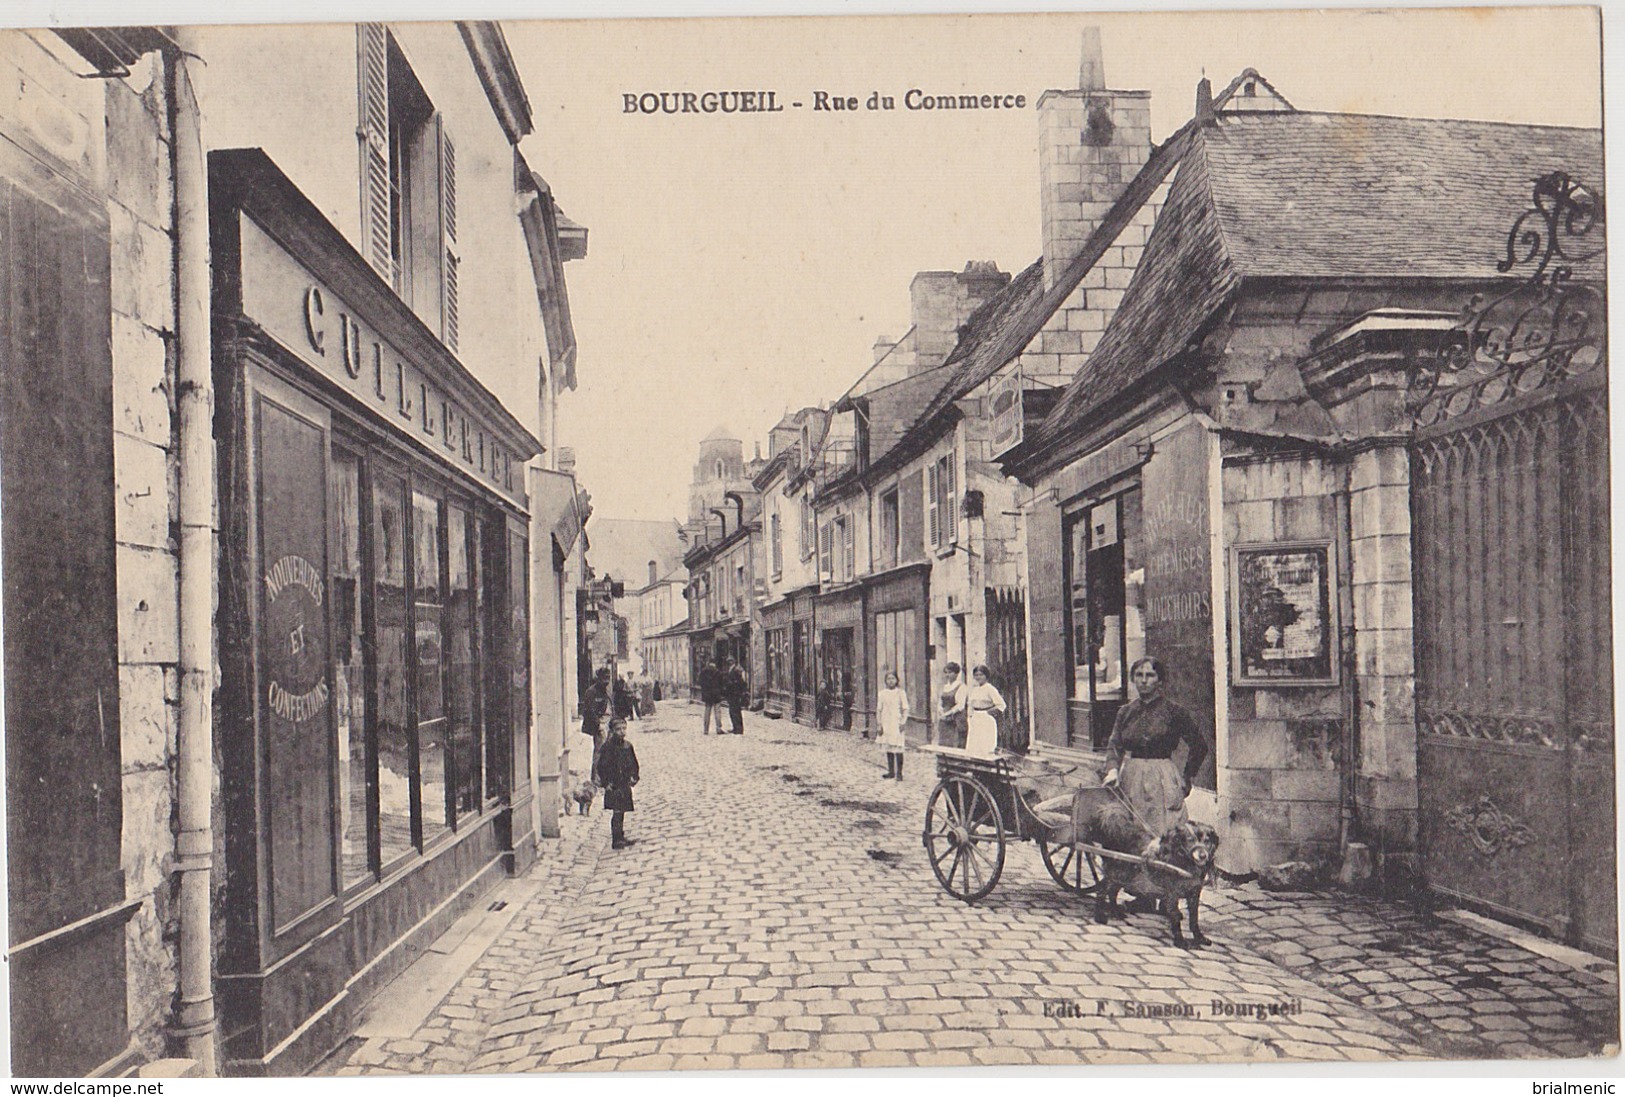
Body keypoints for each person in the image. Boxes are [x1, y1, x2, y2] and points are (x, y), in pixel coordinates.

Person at [1103, 657, 1209, 838]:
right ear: (1133, 679)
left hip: (1162, 776)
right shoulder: (1126, 712)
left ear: (1160, 681)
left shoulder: (1174, 712)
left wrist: (1187, 776)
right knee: (1131, 830)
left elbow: (1199, 745)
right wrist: (1113, 770)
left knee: (1164, 831)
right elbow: (1115, 745)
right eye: (1139, 675)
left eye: (1150, 675)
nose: (1144, 680)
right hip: (1132, 776)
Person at [593, 715, 640, 849]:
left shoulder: (627, 746)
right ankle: (616, 839)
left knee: (622, 810)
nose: (622, 732)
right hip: (614, 784)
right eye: (618, 729)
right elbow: (602, 766)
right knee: (617, 811)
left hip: (624, 783)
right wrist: (606, 783)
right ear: (612, 731)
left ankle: (621, 836)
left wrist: (634, 777)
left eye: (624, 729)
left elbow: (634, 763)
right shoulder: (608, 747)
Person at [964, 665, 1006, 756]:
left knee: (985, 744)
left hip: (985, 719)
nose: (978, 677)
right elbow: (970, 704)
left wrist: (989, 712)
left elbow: (1001, 705)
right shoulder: (975, 689)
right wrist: (970, 716)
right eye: (976, 675)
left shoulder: (990, 689)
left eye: (981, 675)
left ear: (986, 676)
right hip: (975, 718)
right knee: (974, 744)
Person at [876, 670, 910, 779]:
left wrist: (903, 722)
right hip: (886, 722)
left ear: (896, 680)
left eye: (892, 679)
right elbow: (879, 709)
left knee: (898, 747)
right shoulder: (882, 693)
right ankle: (891, 771)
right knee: (888, 747)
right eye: (888, 679)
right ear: (885, 681)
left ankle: (899, 773)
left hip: (896, 722)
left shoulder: (901, 693)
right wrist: (879, 724)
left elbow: (905, 708)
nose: (890, 681)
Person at [581, 666, 613, 773]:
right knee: (599, 751)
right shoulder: (591, 692)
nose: (606, 681)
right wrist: (598, 725)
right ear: (598, 678)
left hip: (609, 723)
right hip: (600, 724)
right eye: (604, 678)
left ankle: (607, 775)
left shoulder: (606, 691)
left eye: (608, 678)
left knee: (610, 751)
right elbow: (590, 710)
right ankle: (596, 776)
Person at [936, 662, 968, 748]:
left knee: (955, 742)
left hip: (956, 719)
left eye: (950, 672)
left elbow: (960, 705)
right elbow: (940, 700)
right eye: (946, 672)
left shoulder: (961, 686)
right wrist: (940, 709)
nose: (947, 675)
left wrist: (948, 713)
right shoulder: (945, 687)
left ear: (956, 673)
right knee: (944, 743)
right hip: (944, 719)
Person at [698, 657, 723, 735]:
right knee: (717, 712)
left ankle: (706, 729)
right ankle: (718, 728)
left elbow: (699, 682)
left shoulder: (703, 671)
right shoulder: (718, 672)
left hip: (707, 695)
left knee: (707, 711)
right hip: (716, 694)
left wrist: (705, 689)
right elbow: (722, 683)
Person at [723, 658, 748, 735]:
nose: (728, 662)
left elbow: (741, 682)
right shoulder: (731, 670)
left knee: (735, 711)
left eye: (730, 661)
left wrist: (731, 684)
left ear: (733, 662)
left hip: (735, 694)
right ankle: (735, 727)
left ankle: (738, 729)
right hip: (732, 694)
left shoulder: (736, 670)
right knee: (732, 711)